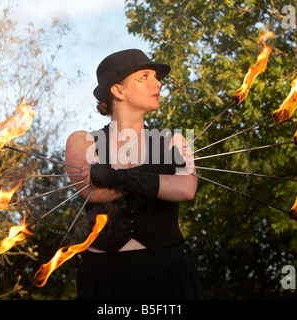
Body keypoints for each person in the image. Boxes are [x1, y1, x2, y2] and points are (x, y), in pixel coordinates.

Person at [65, 49, 204, 300]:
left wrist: (116, 176)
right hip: (104, 279)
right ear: (118, 90)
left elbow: (185, 189)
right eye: (144, 76)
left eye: (155, 77)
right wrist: (159, 173)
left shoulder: (177, 139)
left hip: (169, 271)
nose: (157, 82)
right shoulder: (82, 141)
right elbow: (93, 193)